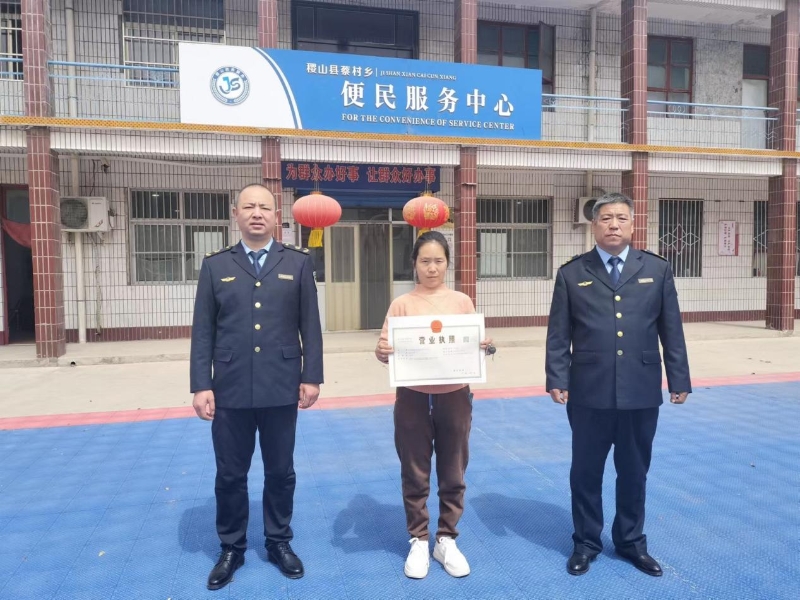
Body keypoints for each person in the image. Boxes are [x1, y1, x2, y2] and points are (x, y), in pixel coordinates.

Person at [545, 192, 691, 577]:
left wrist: (679, 377)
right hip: (588, 391)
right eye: (606, 218)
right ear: (593, 225)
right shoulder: (572, 273)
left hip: (641, 390)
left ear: (632, 224)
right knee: (585, 472)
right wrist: (557, 377)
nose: (613, 225)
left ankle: (630, 542)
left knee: (634, 471)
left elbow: (671, 329)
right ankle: (586, 542)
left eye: (621, 218)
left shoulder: (657, 269)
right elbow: (559, 334)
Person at [190, 183, 323, 590]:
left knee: (280, 471)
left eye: (264, 207)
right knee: (230, 473)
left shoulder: (297, 263)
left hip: (282, 385)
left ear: (276, 215)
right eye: (248, 206)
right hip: (229, 388)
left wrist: (311, 376)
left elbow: (310, 326)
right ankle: (231, 547)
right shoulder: (216, 266)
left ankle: (279, 541)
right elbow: (203, 331)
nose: (257, 213)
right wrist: (201, 384)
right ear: (236, 214)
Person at [375, 231, 492, 580]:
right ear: (414, 264)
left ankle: (446, 538)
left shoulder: (461, 302)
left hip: (454, 394)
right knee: (414, 468)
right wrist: (383, 351)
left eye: (438, 261)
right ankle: (418, 538)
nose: (431, 268)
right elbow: (384, 349)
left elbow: (476, 343)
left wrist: (483, 345)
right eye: (425, 261)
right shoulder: (401, 304)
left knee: (454, 467)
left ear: (447, 263)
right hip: (411, 395)